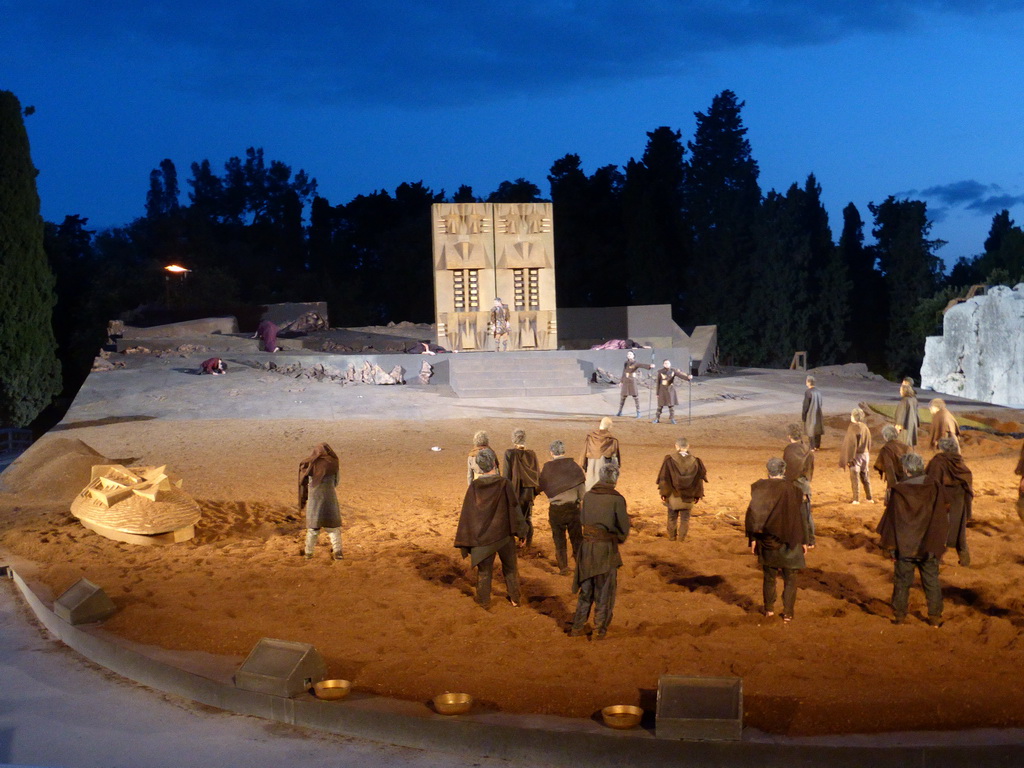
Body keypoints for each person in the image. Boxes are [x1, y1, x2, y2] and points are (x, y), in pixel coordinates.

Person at [876, 452, 950, 626]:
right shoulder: (936, 487)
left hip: (905, 545)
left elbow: (892, 521)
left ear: (906, 470)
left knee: (902, 582)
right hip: (928, 544)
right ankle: (934, 618)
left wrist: (892, 548)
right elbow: (943, 514)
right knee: (931, 580)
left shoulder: (899, 490)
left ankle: (900, 616)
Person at [454, 450, 528, 608]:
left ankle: (483, 600)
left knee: (484, 571)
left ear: (480, 467)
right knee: (510, 568)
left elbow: (469, 514)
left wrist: (469, 540)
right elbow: (515, 509)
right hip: (504, 535)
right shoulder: (504, 483)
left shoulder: (474, 486)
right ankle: (515, 598)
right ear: (494, 463)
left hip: (484, 538)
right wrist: (522, 532)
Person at [745, 457, 812, 622]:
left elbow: (753, 515)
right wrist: (805, 540)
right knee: (790, 579)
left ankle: (769, 610)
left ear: (768, 471)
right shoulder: (794, 490)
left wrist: (753, 538)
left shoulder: (759, 488)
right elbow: (801, 516)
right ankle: (788, 613)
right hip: (790, 541)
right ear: (784, 471)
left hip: (767, 541)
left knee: (769, 577)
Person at [570, 462, 630, 640]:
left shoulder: (588, 496)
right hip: (605, 551)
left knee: (586, 591)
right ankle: (599, 630)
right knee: (604, 591)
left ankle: (577, 627)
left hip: (587, 549)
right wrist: (614, 538)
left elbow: (582, 519)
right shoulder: (617, 500)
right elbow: (623, 531)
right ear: (615, 480)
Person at [538, 440, 585, 575]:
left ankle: (563, 567)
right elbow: (582, 492)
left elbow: (542, 486)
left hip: (556, 509)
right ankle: (580, 566)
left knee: (559, 539)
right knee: (577, 539)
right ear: (564, 451)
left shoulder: (547, 468)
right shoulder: (574, 467)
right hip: (573, 509)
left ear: (551, 453)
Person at [926, 437, 974, 567]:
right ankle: (965, 559)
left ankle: (937, 558)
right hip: (959, 503)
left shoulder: (937, 462)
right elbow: (967, 481)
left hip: (943, 503)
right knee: (959, 533)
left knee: (939, 532)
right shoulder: (960, 463)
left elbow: (930, 482)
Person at [656, 437, 707, 541]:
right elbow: (699, 480)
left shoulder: (669, 460)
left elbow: (664, 478)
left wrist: (664, 493)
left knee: (671, 517)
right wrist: (697, 495)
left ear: (676, 446)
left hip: (673, 495)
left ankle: (671, 539)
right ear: (688, 446)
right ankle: (681, 540)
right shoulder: (696, 461)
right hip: (688, 496)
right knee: (685, 519)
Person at [298, 443, 342, 560]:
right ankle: (338, 552)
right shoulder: (334, 463)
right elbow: (336, 482)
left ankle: (308, 553)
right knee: (333, 528)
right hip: (329, 499)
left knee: (313, 529)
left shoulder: (310, 464)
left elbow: (305, 480)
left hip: (314, 499)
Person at [503, 429, 540, 547]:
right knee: (527, 518)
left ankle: (514, 544)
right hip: (529, 491)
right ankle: (527, 545)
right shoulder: (532, 454)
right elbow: (537, 474)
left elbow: (506, 475)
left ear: (514, 439)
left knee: (512, 518)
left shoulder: (509, 453)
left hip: (515, 491)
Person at [783, 423, 815, 542]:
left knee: (793, 514)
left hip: (794, 485)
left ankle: (802, 538)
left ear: (789, 436)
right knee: (806, 515)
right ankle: (810, 540)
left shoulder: (789, 450)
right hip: (805, 484)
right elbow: (811, 468)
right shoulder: (807, 448)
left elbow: (788, 470)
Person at [840, 407, 873, 505]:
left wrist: (850, 458)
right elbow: (869, 442)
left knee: (855, 477)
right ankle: (869, 497)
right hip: (865, 455)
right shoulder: (865, 427)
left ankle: (856, 499)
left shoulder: (853, 428)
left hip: (856, 456)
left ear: (854, 417)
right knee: (865, 476)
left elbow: (851, 445)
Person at [581, 417, 621, 491]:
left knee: (589, 487)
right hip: (604, 475)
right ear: (609, 426)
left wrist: (584, 466)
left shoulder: (590, 438)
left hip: (591, 470)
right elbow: (615, 462)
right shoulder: (612, 440)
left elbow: (583, 456)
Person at [874, 424, 910, 502]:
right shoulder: (904, 446)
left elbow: (889, 467)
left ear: (886, 436)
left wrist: (892, 485)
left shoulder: (886, 449)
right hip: (905, 478)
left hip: (894, 480)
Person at [653, 359, 693, 424]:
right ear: (663, 364)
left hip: (670, 390)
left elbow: (680, 375)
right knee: (660, 405)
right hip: (662, 390)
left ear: (670, 364)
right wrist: (657, 393)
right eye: (665, 363)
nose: (667, 364)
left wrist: (688, 377)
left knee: (671, 405)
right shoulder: (660, 372)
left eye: (668, 363)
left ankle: (672, 418)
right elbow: (658, 383)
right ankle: (657, 418)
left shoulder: (673, 371)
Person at [616, 350, 653, 418]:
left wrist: (650, 366)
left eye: (630, 354)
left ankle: (638, 412)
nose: (629, 355)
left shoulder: (635, 363)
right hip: (626, 381)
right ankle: (620, 411)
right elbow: (623, 372)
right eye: (628, 354)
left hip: (632, 381)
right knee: (623, 397)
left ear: (633, 355)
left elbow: (642, 365)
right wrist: (621, 381)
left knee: (635, 397)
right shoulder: (626, 363)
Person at [894, 378, 920, 447]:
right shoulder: (913, 399)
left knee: (903, 444)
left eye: (901, 390)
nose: (900, 391)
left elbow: (901, 414)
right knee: (910, 444)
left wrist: (898, 426)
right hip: (912, 424)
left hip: (905, 427)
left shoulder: (904, 401)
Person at [802, 375, 824, 450]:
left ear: (808, 382)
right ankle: (817, 446)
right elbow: (821, 402)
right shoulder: (818, 391)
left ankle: (812, 447)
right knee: (817, 429)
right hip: (818, 412)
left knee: (810, 429)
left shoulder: (808, 392)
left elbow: (806, 405)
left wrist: (804, 415)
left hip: (811, 413)